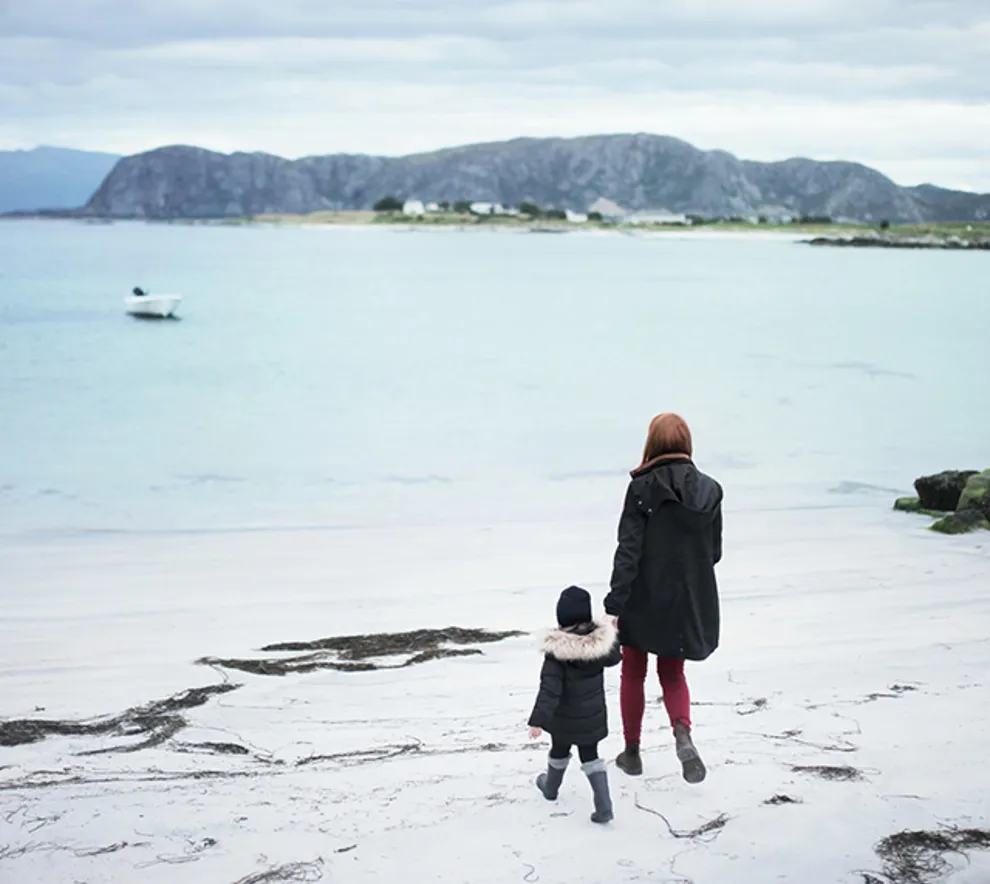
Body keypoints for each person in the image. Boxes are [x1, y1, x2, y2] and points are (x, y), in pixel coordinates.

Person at [604, 413, 723, 783]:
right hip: (686, 598)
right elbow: (714, 552)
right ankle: (683, 735)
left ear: (652, 443)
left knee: (633, 673)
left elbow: (629, 550)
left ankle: (633, 752)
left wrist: (615, 603)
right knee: (672, 674)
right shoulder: (710, 490)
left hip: (643, 597)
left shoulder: (641, 488)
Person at [528, 585, 622, 823]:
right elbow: (615, 656)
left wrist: (538, 720)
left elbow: (549, 690)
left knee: (559, 750)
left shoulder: (557, 653)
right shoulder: (600, 647)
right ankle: (604, 807)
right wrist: (614, 634)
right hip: (591, 718)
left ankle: (550, 788)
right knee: (591, 756)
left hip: (563, 721)